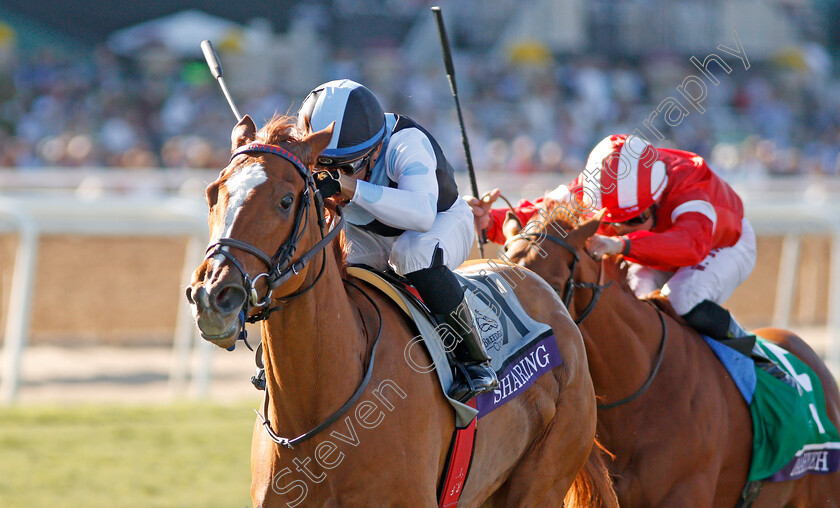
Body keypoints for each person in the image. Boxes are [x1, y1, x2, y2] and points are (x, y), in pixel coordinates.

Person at [301, 79, 497, 401]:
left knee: (411, 253)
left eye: (347, 167)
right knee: (321, 263)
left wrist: (348, 188)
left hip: (440, 224)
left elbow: (421, 214)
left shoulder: (406, 142)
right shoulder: (351, 151)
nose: (337, 176)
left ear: (376, 148)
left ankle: (473, 359)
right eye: (323, 167)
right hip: (370, 234)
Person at [468, 134, 757, 346]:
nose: (619, 229)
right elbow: (538, 214)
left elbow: (692, 244)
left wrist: (623, 245)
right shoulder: (595, 187)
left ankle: (752, 353)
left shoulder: (690, 183)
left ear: (657, 198)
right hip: (654, 250)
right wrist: (489, 221)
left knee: (682, 297)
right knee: (635, 304)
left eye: (631, 221)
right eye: (610, 222)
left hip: (724, 245)